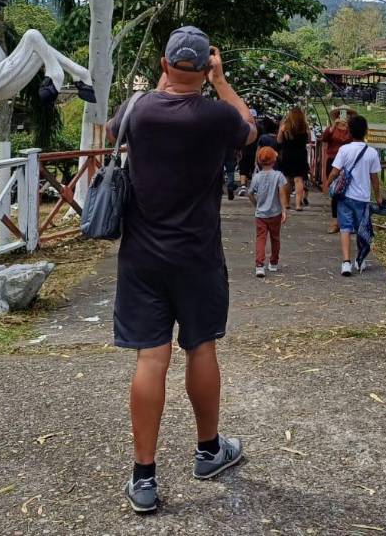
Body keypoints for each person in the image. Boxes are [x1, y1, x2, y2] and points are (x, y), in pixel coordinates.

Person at [106, 26, 257, 514]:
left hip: (142, 257)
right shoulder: (216, 117)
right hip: (197, 256)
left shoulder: (138, 109)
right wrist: (222, 82)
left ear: (166, 63)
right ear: (205, 67)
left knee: (151, 360)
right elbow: (249, 127)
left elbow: (115, 131)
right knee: (200, 347)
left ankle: (144, 478)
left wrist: (161, 82)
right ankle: (209, 451)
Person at [326, 114, 384, 277]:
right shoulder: (372, 152)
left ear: (349, 132)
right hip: (363, 197)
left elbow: (335, 172)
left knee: (345, 228)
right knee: (361, 229)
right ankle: (360, 260)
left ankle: (346, 262)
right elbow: (374, 178)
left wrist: (329, 186)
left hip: (344, 197)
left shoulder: (344, 150)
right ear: (366, 131)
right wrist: (378, 196)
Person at [246, 146, 289, 277]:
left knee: (261, 238)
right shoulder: (279, 176)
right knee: (275, 238)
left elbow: (250, 193)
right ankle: (274, 262)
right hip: (275, 213)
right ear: (274, 160)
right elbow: (282, 193)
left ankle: (259, 265)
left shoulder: (256, 177)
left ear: (259, 160)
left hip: (260, 214)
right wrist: (284, 209)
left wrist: (256, 204)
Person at [319, 113, 353, 234]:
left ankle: (348, 220)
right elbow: (324, 138)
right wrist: (333, 126)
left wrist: (348, 126)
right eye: (341, 114)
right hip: (333, 160)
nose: (343, 117)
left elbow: (354, 140)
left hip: (348, 162)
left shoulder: (351, 129)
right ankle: (335, 221)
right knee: (335, 190)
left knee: (348, 191)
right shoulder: (332, 128)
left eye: (346, 115)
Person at [276, 107, 310, 211]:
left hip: (287, 154)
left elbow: (279, 141)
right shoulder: (305, 127)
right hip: (300, 155)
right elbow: (308, 140)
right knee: (299, 180)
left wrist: (281, 131)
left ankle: (286, 203)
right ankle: (298, 204)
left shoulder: (285, 127)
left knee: (287, 179)